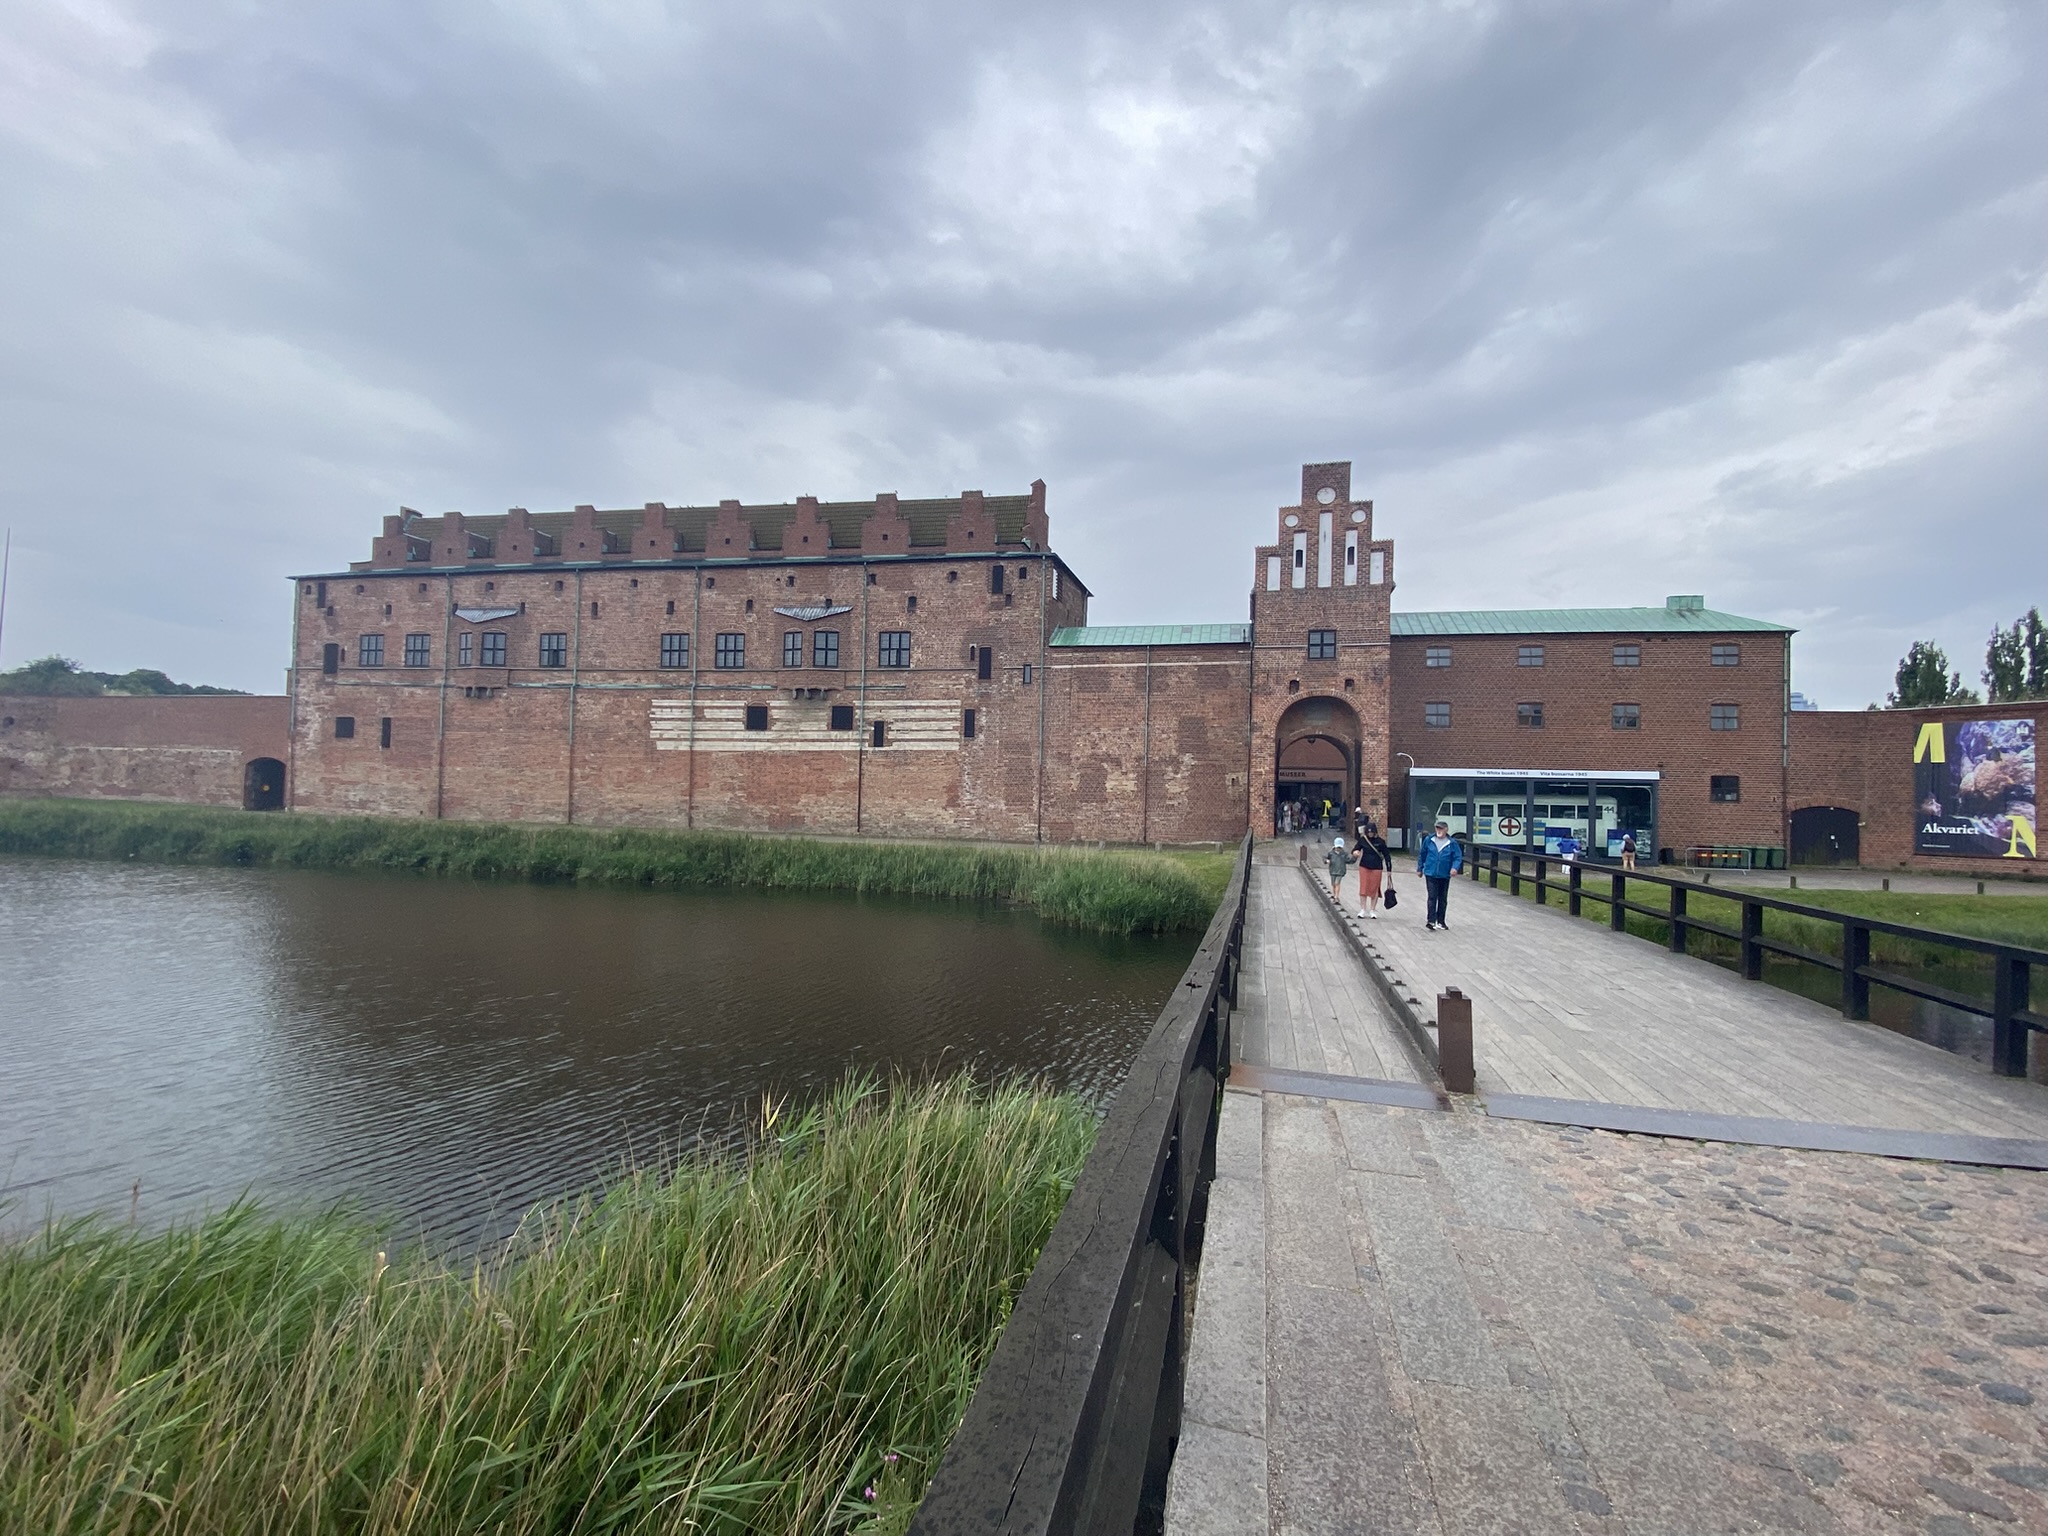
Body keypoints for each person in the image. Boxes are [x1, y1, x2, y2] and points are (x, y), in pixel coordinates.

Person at [1417, 819, 1464, 931]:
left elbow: (1457, 857)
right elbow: (1422, 854)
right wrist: (1420, 868)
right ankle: (1431, 920)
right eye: (1437, 828)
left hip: (1444, 874)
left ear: (1446, 830)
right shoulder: (1429, 840)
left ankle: (1441, 921)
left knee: (1442, 898)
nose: (1438, 830)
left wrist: (1454, 867)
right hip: (1431, 873)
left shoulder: (1452, 843)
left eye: (1441, 828)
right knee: (1432, 897)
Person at [1353, 826, 1390, 918]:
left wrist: (1389, 869)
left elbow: (1387, 855)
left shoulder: (1381, 842)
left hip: (1377, 867)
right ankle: (1363, 909)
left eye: (1372, 832)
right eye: (1369, 832)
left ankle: (1372, 910)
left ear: (1375, 832)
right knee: (1363, 888)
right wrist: (1355, 852)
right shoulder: (1363, 840)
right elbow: (1355, 849)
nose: (1370, 834)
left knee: (1375, 888)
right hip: (1364, 866)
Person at [1324, 836, 1351, 900]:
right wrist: (1326, 861)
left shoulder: (1344, 854)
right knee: (1333, 884)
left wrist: (1355, 857)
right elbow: (1325, 858)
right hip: (1333, 870)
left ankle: (1336, 896)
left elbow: (1349, 860)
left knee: (1337, 883)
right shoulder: (1330, 853)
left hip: (1340, 871)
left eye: (1340, 847)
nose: (1338, 849)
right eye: (1337, 847)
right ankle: (1334, 894)